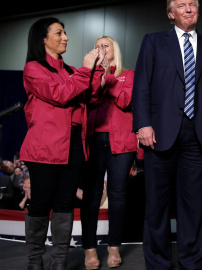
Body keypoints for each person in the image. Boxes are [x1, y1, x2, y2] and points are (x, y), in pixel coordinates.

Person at [131, 0, 202, 268]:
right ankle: (158, 264)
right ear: (170, 13)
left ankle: (191, 263)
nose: (189, 9)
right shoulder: (153, 41)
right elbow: (141, 86)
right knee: (156, 207)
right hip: (159, 133)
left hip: (198, 137)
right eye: (182, 5)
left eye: (193, 4)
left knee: (193, 207)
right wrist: (143, 124)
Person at [20, 17, 104, 270]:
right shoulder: (33, 69)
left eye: (65, 32)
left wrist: (99, 69)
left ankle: (59, 263)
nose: (65, 37)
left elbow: (90, 96)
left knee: (66, 204)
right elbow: (61, 94)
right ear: (43, 39)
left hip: (74, 144)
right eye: (59, 33)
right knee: (41, 203)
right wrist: (86, 71)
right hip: (45, 147)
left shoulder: (70, 71)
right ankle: (35, 262)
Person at [80, 36, 137, 269]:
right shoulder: (87, 74)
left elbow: (125, 101)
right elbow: (84, 100)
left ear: (115, 50)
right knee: (92, 196)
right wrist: (96, 78)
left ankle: (114, 246)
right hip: (94, 140)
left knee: (117, 194)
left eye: (106, 45)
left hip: (121, 142)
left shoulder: (129, 74)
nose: (101, 49)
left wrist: (108, 79)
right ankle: (89, 249)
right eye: (97, 46)